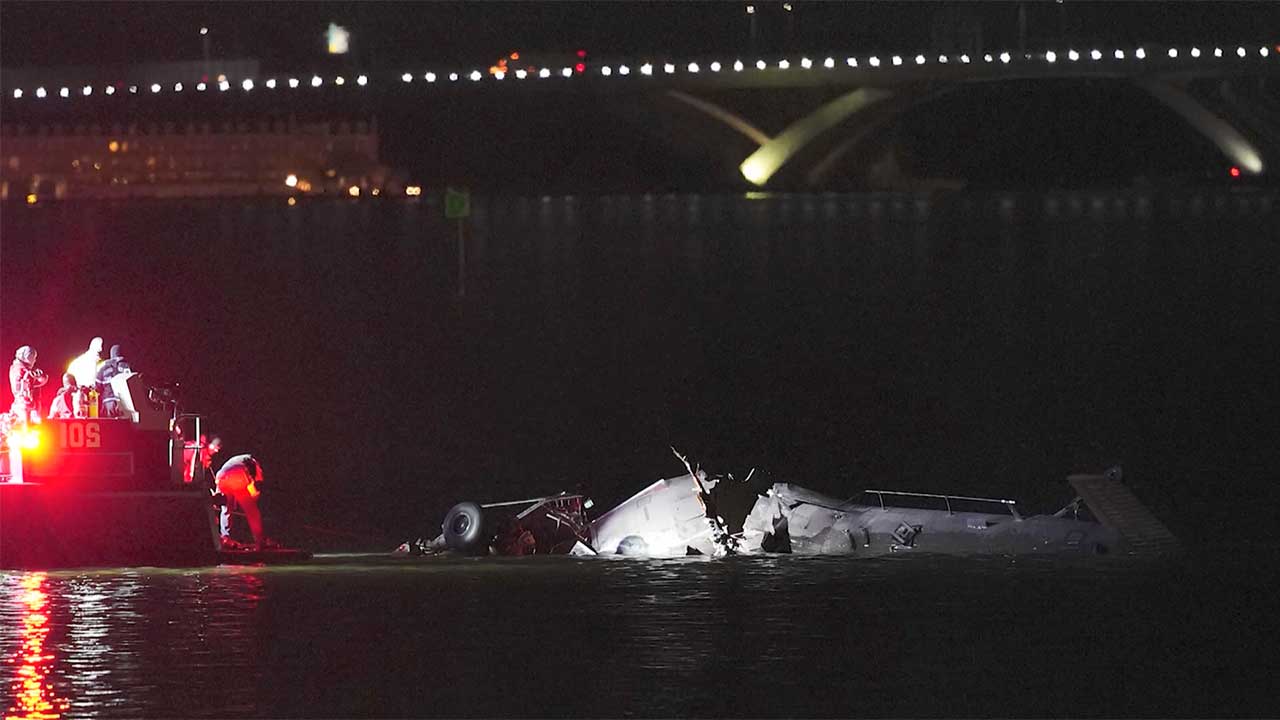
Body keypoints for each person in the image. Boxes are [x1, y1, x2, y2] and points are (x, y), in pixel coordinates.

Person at [215, 453, 268, 550]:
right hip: (237, 476)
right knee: (252, 512)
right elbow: (255, 485)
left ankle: (225, 538)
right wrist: (252, 500)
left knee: (226, 509)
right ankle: (260, 541)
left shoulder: (239, 459)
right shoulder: (255, 464)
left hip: (220, 477)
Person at [9, 346, 49, 422]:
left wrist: (39, 377)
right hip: (22, 403)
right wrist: (35, 376)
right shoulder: (18, 369)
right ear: (27, 356)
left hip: (28, 403)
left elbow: (39, 381)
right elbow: (24, 381)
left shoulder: (21, 368)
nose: (34, 360)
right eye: (33, 357)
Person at [95, 344, 131, 416]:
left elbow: (97, 388)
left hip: (108, 402)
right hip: (124, 403)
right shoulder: (127, 367)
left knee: (110, 422)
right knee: (124, 422)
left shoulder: (103, 368)